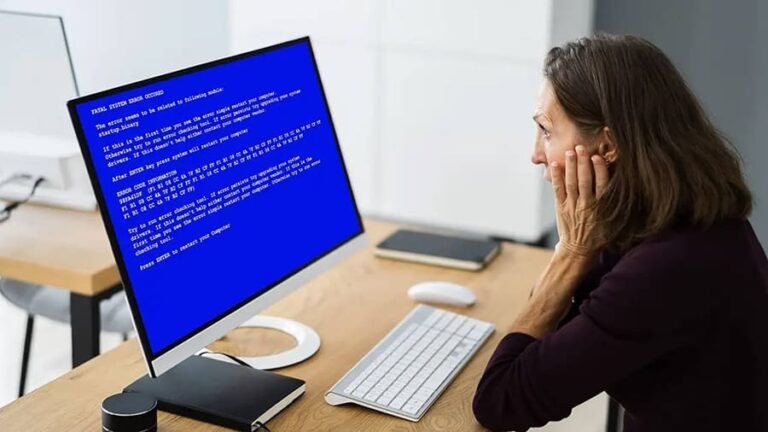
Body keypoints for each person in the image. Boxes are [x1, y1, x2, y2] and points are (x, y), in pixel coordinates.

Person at [472, 33, 768, 432]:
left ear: (607, 147)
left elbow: (500, 401)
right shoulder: (690, 225)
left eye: (546, 130)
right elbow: (553, 332)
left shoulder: (668, 267)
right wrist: (574, 253)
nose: (536, 154)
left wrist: (571, 253)